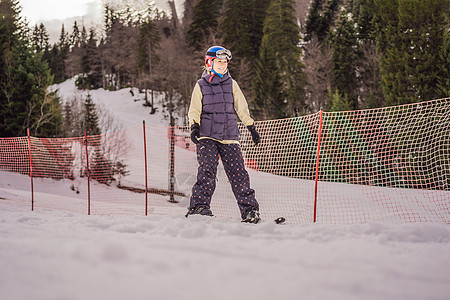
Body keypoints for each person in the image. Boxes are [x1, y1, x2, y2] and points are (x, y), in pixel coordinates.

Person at [185, 46, 261, 223]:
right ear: (209, 62)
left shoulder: (232, 84)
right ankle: (199, 207)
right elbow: (194, 109)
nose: (223, 64)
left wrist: (250, 126)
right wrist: (194, 126)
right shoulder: (201, 85)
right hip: (206, 135)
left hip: (228, 135)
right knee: (207, 170)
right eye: (219, 61)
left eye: (225, 61)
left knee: (238, 173)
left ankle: (250, 211)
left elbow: (241, 107)